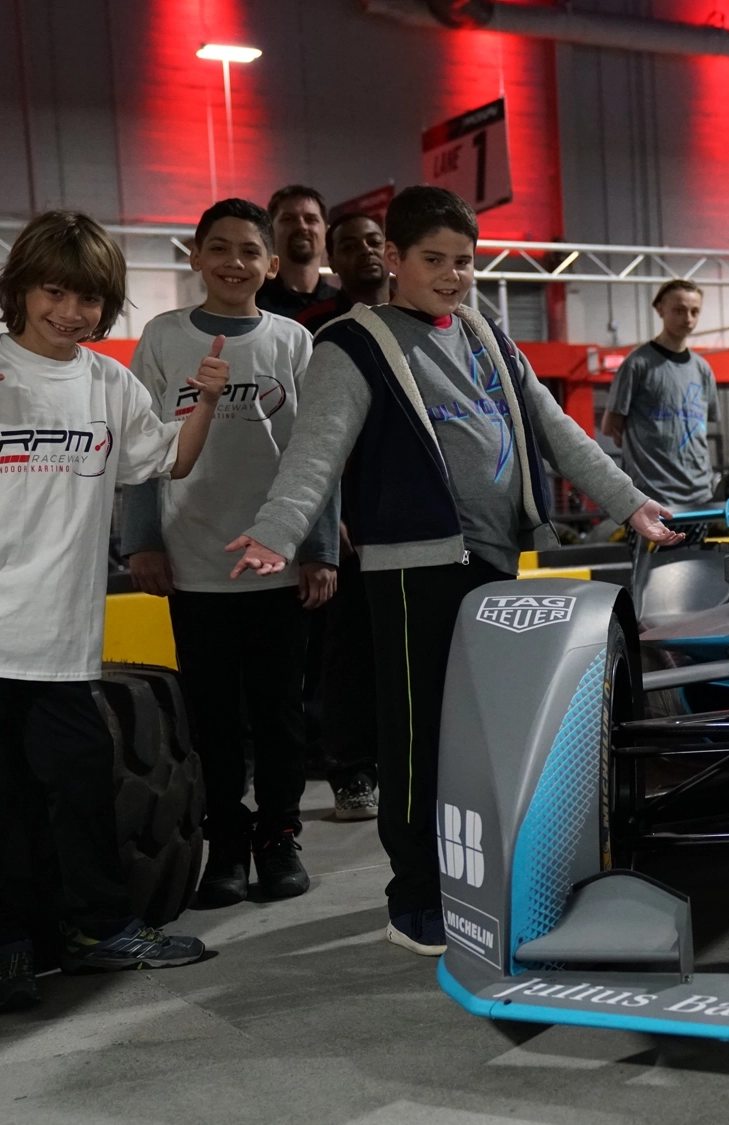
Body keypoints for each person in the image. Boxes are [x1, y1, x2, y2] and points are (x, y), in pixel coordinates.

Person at [225, 185, 682, 956]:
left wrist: (630, 503)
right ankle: (414, 892)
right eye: (433, 260)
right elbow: (315, 455)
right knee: (416, 738)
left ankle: (482, 879)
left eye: (464, 261)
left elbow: (555, 427)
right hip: (412, 572)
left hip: (496, 562)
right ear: (392, 259)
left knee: (486, 735)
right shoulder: (353, 343)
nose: (452, 275)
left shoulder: (485, 333)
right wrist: (280, 529)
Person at [0, 211, 226, 1008]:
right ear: (20, 289)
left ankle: (97, 930)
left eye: (89, 298)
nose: (71, 311)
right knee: (8, 803)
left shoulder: (107, 382)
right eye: (54, 291)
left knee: (81, 785)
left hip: (60, 636)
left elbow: (169, 457)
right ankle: (12, 947)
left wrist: (205, 400)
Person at [121, 198, 335, 907]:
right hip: (194, 562)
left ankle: (278, 835)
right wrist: (144, 540)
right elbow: (142, 449)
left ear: (272, 264)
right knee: (214, 716)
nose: (234, 262)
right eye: (219, 248)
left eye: (250, 250)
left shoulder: (291, 342)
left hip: (275, 562)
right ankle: (227, 842)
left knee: (279, 713)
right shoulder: (162, 337)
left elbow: (316, 453)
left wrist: (317, 548)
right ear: (195, 257)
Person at [296, 209, 389, 821]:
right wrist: (328, 521)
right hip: (351, 528)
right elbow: (304, 437)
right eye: (349, 244)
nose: (365, 251)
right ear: (334, 259)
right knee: (350, 655)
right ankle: (352, 773)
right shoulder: (316, 332)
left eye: (374, 241)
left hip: (418, 522)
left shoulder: (428, 325)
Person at [602, 279, 719, 510]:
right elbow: (610, 426)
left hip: (699, 495)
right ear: (660, 309)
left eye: (694, 312)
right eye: (679, 310)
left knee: (696, 548)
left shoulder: (702, 369)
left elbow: (702, 427)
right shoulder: (638, 364)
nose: (688, 318)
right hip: (651, 497)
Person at [297, 211, 389, 333]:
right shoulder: (310, 324)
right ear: (332, 263)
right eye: (350, 247)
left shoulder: (416, 313)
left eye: (374, 242)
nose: (366, 250)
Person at [256, 185, 336, 317]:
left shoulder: (344, 307)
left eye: (311, 219)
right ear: (269, 233)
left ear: (327, 233)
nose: (301, 226)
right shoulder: (252, 307)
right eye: (288, 219)